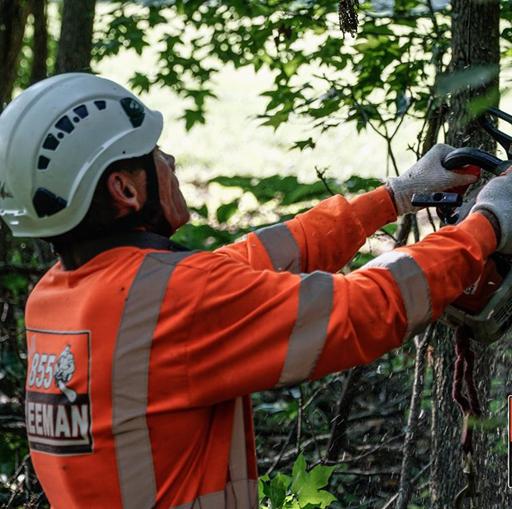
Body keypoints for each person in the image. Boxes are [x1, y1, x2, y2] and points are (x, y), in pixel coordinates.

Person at [0, 73, 509, 509]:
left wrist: (394, 196)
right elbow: (363, 309)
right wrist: (485, 226)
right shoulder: (175, 300)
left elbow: (246, 262)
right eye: (153, 153)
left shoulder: (57, 297)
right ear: (126, 191)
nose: (171, 160)